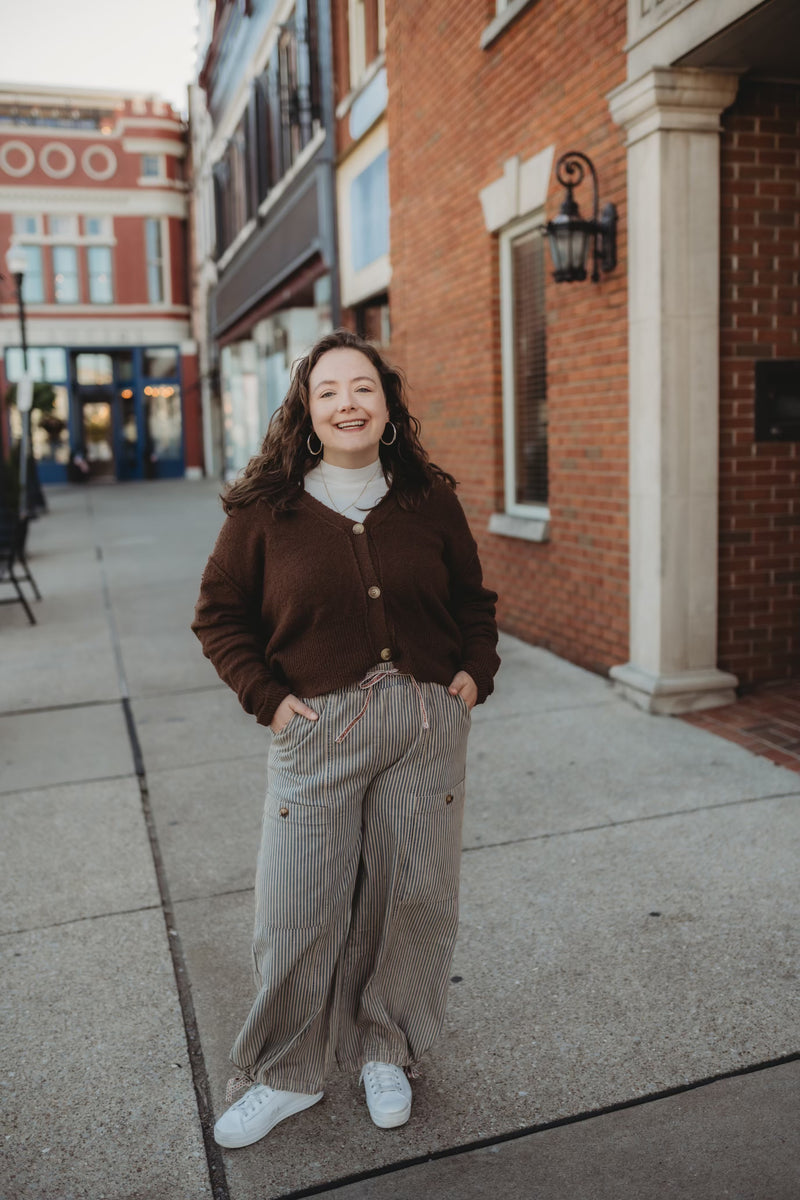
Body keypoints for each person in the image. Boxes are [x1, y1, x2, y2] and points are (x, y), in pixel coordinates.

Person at [192, 328, 500, 1151]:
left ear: (388, 404)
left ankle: (384, 1047)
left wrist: (474, 671)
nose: (347, 403)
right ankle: (284, 1074)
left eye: (362, 387)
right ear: (306, 410)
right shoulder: (269, 509)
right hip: (319, 731)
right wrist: (272, 700)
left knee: (413, 896)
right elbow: (218, 616)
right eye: (328, 391)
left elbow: (474, 598)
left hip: (426, 727)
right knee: (296, 907)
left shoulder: (427, 497)